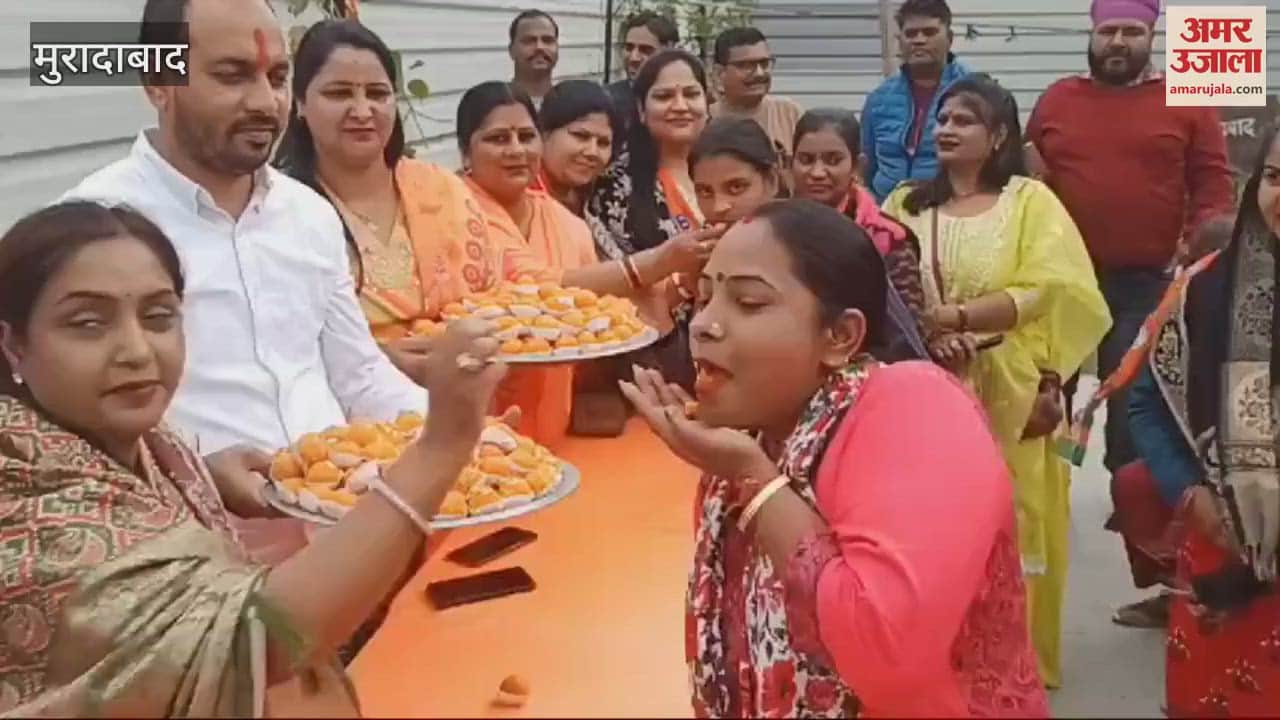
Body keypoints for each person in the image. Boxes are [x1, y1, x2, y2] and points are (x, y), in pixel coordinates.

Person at [0, 201, 506, 715]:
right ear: (13, 345)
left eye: (158, 317)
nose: (136, 350)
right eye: (87, 323)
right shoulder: (25, 506)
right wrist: (442, 445)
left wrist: (205, 478)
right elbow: (261, 643)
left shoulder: (144, 442)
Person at [619, 199, 1049, 717]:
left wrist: (754, 478)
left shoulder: (916, 408)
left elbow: (884, 652)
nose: (705, 325)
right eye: (704, 298)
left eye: (749, 303)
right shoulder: (760, 434)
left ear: (840, 336)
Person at [59, 0, 424, 498]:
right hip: (190, 543)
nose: (264, 102)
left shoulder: (309, 214)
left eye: (277, 78)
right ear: (156, 84)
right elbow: (74, 430)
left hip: (347, 517)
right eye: (232, 76)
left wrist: (452, 431)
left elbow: (357, 373)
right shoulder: (93, 226)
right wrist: (194, 477)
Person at [882, 74, 1112, 689]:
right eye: (943, 120)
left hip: (1013, 385)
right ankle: (935, 656)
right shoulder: (905, 202)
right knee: (931, 521)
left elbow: (1051, 287)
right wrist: (928, 335)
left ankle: (1012, 667)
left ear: (999, 135)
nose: (946, 129)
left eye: (964, 120)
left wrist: (955, 318)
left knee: (1014, 516)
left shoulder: (1029, 202)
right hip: (925, 381)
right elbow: (879, 279)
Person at [1024, 0, 1235, 628]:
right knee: (1040, 409)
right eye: (1108, 30)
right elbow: (1028, 178)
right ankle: (1035, 544)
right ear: (1092, 34)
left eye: (1132, 32)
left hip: (1147, 286)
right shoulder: (1058, 100)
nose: (1118, 42)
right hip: (1057, 285)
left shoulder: (1190, 100)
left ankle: (1164, 581)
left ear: (1152, 36)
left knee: (1134, 432)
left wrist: (1196, 256)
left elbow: (1214, 187)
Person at [457, 81, 716, 446]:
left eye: (525, 136)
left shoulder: (570, 223)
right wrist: (658, 261)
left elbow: (600, 311)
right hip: (469, 415)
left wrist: (683, 280)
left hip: (553, 417)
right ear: (465, 150)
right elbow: (532, 287)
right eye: (498, 139)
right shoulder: (452, 210)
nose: (516, 150)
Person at [1127, 125, 1280, 716]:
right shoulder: (1205, 288)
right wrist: (1190, 494)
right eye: (1273, 177)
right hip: (1218, 545)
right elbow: (1148, 401)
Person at [274, 18, 506, 379]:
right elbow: (272, 349)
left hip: (464, 404)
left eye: (378, 94)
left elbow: (496, 308)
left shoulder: (445, 191)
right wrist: (374, 362)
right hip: (348, 426)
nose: (363, 111)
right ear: (299, 103)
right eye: (339, 93)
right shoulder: (278, 213)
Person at [690, 117, 927, 362]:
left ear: (772, 180)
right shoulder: (695, 256)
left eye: (737, 187)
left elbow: (904, 346)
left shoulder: (827, 245)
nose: (720, 206)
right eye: (704, 192)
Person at [588, 49, 718, 390]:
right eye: (664, 96)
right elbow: (613, 281)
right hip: (656, 358)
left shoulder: (731, 170)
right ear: (642, 111)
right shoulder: (615, 186)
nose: (680, 105)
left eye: (691, 94)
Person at [791, 108, 930, 358]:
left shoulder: (889, 240)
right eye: (806, 160)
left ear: (857, 165)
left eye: (833, 160)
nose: (817, 172)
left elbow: (910, 334)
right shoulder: (774, 230)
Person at [860, 0, 969, 204]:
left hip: (952, 211)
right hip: (886, 215)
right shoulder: (879, 99)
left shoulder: (976, 94)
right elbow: (867, 165)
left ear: (950, 39)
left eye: (929, 32)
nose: (919, 40)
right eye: (911, 34)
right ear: (899, 40)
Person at [708, 27, 804, 173]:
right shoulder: (704, 121)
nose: (759, 73)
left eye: (764, 64)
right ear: (720, 73)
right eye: (747, 66)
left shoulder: (790, 114)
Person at [538, 79, 621, 216]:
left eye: (603, 142)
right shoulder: (517, 198)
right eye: (581, 136)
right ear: (544, 134)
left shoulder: (598, 197)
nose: (592, 152)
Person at [607, 11, 680, 132]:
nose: (633, 57)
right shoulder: (608, 101)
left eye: (645, 50)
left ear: (669, 51)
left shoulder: (684, 105)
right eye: (629, 48)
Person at [509, 9, 559, 110]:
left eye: (548, 40)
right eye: (528, 41)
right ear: (511, 50)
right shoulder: (492, 108)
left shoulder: (573, 108)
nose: (539, 47)